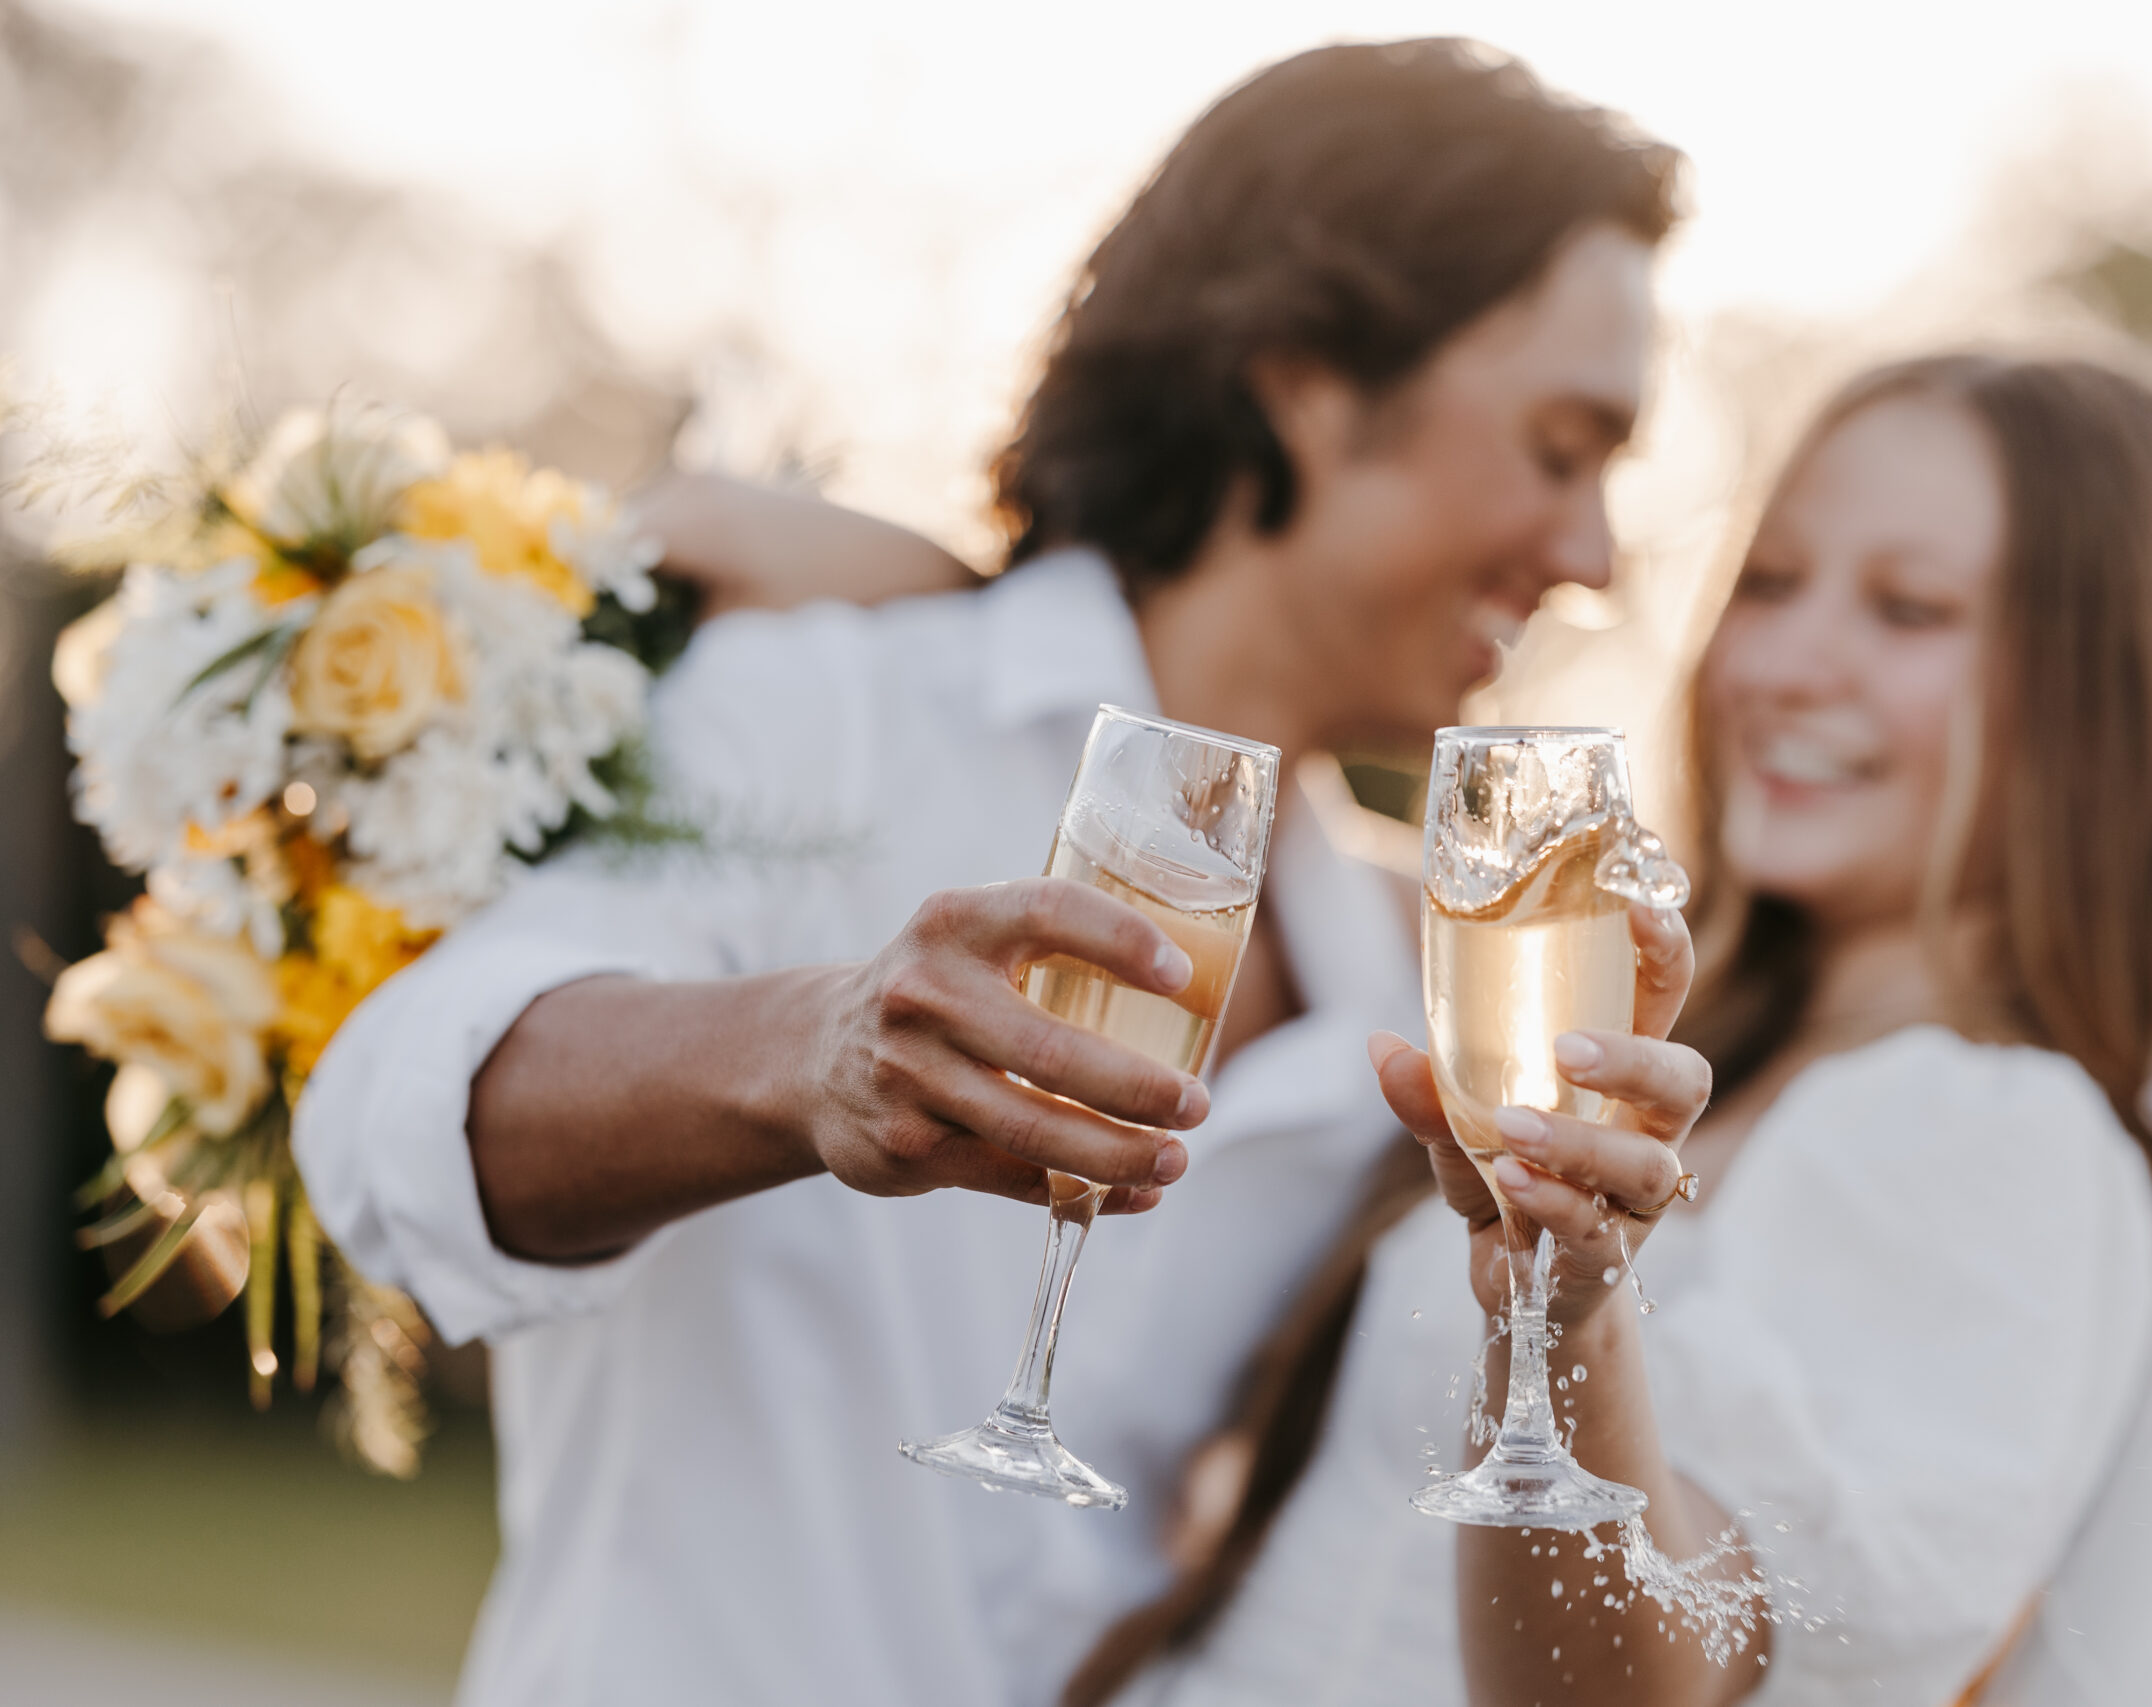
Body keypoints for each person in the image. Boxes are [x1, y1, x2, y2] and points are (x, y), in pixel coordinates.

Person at [292, 39, 1685, 1707]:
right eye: (1560, 446)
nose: (1595, 556)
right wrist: (805, 1053)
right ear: (1310, 374)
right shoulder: (823, 714)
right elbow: (386, 1116)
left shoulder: (1414, 983)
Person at [1057, 350, 2152, 1707]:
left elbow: (1653, 1678)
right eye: (1770, 584)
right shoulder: (1665, 1044)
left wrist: (1570, 1321)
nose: (1783, 662)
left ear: (2098, 701)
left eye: (1908, 609)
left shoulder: (1996, 1149)